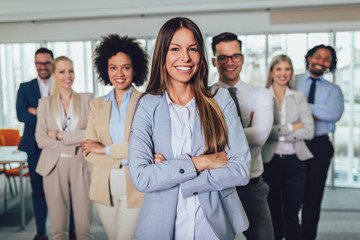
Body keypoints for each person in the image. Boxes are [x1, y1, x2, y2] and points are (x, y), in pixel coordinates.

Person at [129, 17, 251, 240]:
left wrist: (171, 173)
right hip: (160, 226)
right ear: (162, 54)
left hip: (213, 225)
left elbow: (240, 170)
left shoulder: (220, 99)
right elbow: (141, 177)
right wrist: (202, 162)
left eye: (192, 49)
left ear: (201, 56)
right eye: (175, 49)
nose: (185, 57)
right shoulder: (147, 104)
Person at [82, 34, 148, 240]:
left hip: (135, 184)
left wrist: (104, 149)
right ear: (106, 70)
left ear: (135, 69)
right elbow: (87, 151)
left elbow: (145, 148)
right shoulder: (97, 104)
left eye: (125, 67)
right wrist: (128, 154)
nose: (119, 73)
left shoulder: (146, 102)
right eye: (113, 67)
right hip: (103, 184)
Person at [211, 32, 274, 240]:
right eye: (223, 57)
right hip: (218, 186)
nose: (230, 62)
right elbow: (202, 141)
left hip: (252, 184)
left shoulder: (260, 94)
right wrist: (247, 129)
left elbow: (260, 137)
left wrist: (219, 134)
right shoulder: (204, 96)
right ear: (214, 61)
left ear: (243, 59)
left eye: (235, 56)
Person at [16, 48, 76, 240]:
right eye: (38, 63)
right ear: (35, 65)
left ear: (52, 64)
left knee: (69, 191)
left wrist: (38, 112)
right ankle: (41, 231)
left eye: (46, 63)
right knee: (38, 191)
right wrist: (46, 117)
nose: (42, 67)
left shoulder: (61, 82)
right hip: (35, 149)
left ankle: (73, 229)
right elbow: (21, 114)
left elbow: (68, 113)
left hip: (61, 147)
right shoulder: (25, 87)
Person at [35, 56, 93, 240]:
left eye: (71, 71)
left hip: (81, 163)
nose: (68, 75)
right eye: (62, 71)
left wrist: (60, 136)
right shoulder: (44, 103)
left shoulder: (86, 99)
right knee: (58, 225)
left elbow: (91, 134)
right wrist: (73, 142)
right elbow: (41, 139)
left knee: (84, 223)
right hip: (53, 164)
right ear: (54, 75)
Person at [262, 54, 314, 240]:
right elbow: (263, 133)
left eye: (287, 69)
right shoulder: (262, 96)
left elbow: (309, 132)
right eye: (279, 69)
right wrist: (292, 126)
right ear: (271, 72)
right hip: (270, 162)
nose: (283, 73)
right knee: (273, 214)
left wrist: (277, 132)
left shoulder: (299, 97)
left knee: (292, 215)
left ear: (291, 72)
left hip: (295, 163)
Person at [295, 45, 344, 240]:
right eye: (317, 56)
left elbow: (335, 113)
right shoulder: (292, 80)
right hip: (292, 144)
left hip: (320, 147)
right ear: (308, 57)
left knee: (313, 199)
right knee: (290, 196)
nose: (321, 62)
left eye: (327, 59)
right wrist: (319, 111)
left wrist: (301, 107)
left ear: (331, 65)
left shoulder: (334, 89)